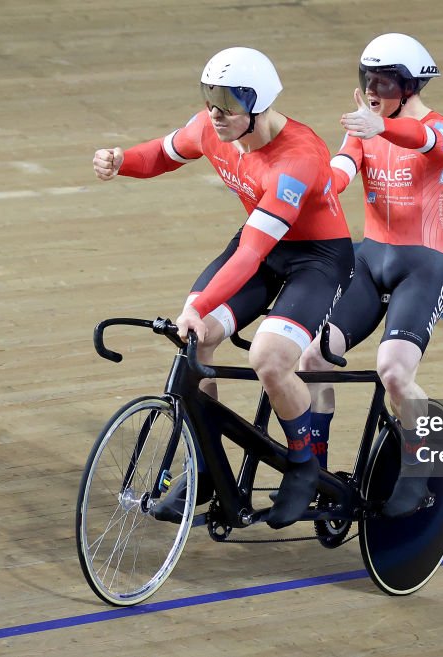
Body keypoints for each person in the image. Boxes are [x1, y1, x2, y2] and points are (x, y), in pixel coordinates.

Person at [92, 47, 353, 528]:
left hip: (317, 258)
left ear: (259, 104)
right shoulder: (212, 129)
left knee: (269, 360)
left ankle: (302, 463)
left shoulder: (298, 159)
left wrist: (206, 302)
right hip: (263, 243)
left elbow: (251, 253)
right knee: (198, 336)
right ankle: (206, 466)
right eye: (210, 98)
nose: (216, 112)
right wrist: (121, 159)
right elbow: (163, 154)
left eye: (229, 102)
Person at [299, 33, 443, 517]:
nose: (372, 90)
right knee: (314, 355)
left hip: (424, 267)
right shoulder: (364, 130)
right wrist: (308, 185)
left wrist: (378, 128)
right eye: (366, 79)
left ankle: (417, 473)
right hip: (369, 261)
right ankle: (317, 466)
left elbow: (423, 139)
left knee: (394, 371)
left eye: (384, 82)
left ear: (411, 87)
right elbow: (341, 172)